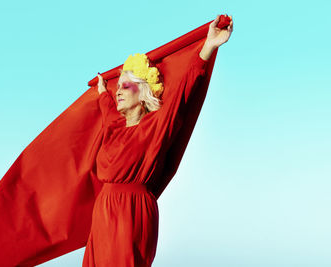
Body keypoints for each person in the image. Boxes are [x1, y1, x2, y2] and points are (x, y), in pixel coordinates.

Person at [82, 14, 233, 267]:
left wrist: (208, 47)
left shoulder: (155, 127)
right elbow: (107, 107)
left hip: (131, 212)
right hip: (103, 213)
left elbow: (182, 94)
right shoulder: (114, 127)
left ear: (142, 92)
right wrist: (101, 90)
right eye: (117, 86)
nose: (117, 91)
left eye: (125, 86)